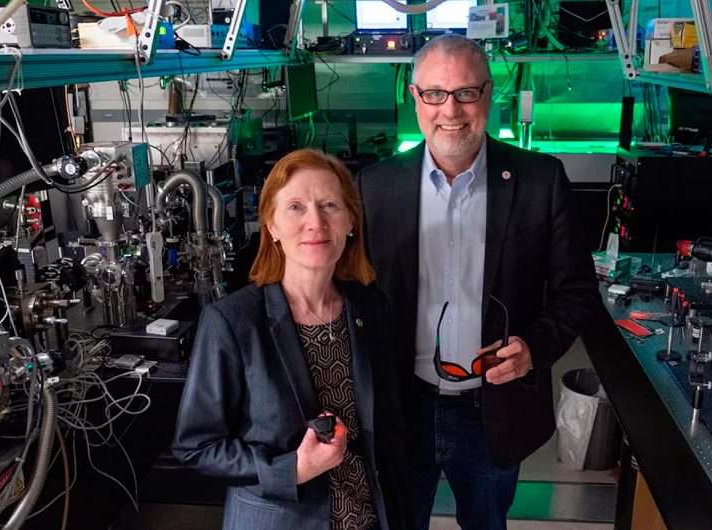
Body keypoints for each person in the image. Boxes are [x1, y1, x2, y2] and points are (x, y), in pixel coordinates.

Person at [357, 35, 601, 530]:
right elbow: (350, 295)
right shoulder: (373, 186)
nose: (452, 109)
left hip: (492, 412)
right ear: (414, 96)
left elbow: (578, 291)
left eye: (467, 93)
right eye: (436, 94)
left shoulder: (540, 179)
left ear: (490, 94)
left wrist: (534, 346)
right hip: (402, 409)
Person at [174, 148, 412, 530]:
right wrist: (290, 470)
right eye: (296, 208)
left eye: (330, 205)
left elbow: (390, 431)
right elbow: (196, 446)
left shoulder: (371, 307)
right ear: (271, 226)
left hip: (368, 517)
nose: (315, 222)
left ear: (351, 220)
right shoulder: (233, 320)